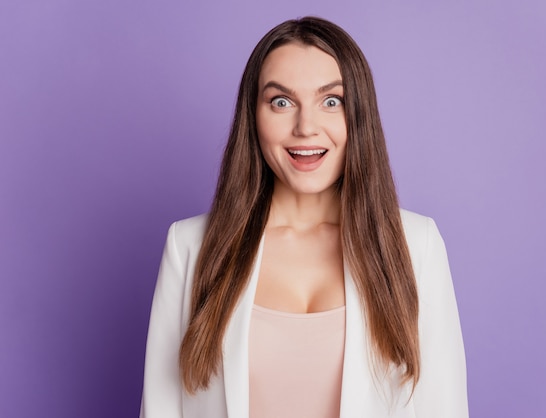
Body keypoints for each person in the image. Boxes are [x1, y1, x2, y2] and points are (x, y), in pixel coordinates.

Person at [140, 16, 468, 418]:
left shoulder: (417, 244)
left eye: (332, 101)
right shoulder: (190, 246)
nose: (306, 127)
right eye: (282, 102)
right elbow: (161, 408)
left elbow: (443, 408)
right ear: (252, 116)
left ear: (358, 116)